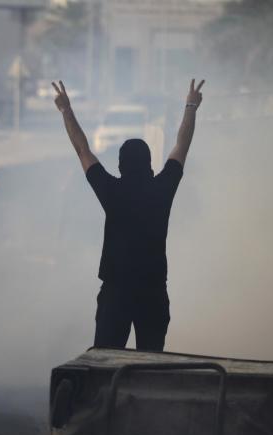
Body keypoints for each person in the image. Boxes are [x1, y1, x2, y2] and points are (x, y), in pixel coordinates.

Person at [53, 79, 204, 351]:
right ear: (149, 163)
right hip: (153, 292)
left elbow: (82, 149)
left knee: (106, 362)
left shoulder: (111, 191)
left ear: (121, 165)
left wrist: (66, 110)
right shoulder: (163, 188)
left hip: (116, 293)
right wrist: (191, 106)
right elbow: (182, 145)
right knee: (151, 364)